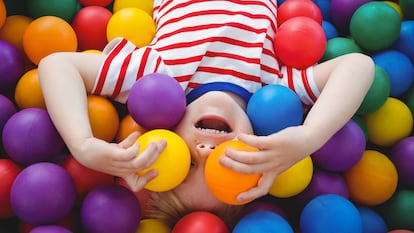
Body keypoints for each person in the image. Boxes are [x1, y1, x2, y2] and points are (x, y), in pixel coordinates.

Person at [38, 0, 374, 229]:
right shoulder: (274, 91)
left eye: (187, 165)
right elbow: (358, 66)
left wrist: (83, 144)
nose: (206, 151)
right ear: (258, 157)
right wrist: (309, 136)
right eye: (223, 165)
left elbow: (57, 65)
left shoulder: (156, 81)